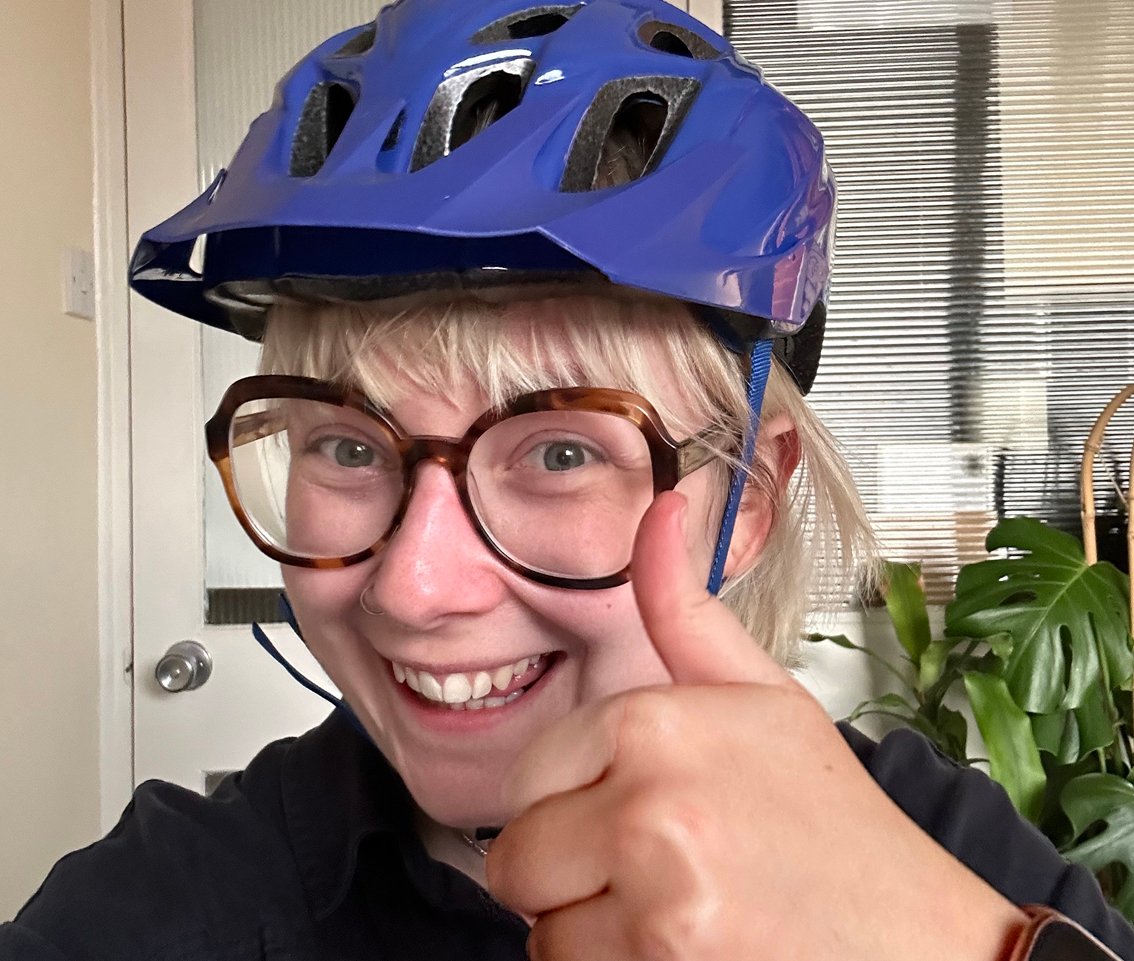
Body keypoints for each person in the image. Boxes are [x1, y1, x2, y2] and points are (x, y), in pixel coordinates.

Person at [4, 1, 1133, 958]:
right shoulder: (176, 901)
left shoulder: (944, 851)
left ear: (749, 500)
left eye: (560, 451)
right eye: (346, 446)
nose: (414, 588)